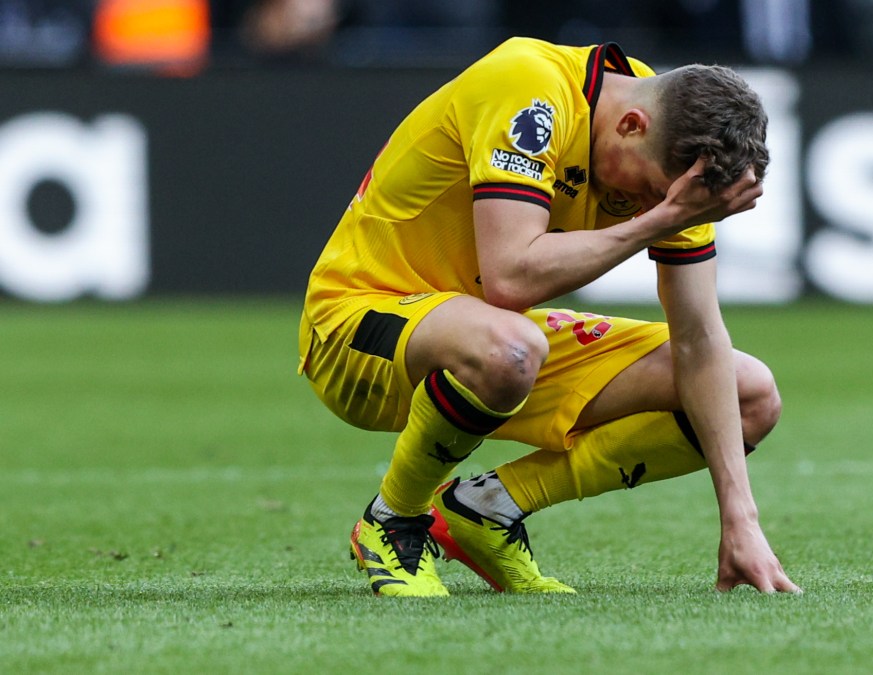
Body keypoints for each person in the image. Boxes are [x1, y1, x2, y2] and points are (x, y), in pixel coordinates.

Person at [298, 36, 801, 597]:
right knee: (510, 346)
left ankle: (485, 508)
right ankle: (393, 519)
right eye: (650, 193)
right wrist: (661, 218)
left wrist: (741, 521)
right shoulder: (528, 89)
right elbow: (511, 277)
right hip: (358, 326)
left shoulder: (673, 151)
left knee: (747, 392)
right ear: (630, 124)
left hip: (488, 339)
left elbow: (699, 338)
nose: (647, 206)